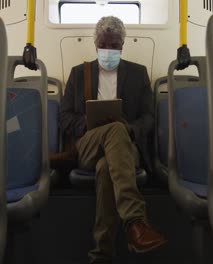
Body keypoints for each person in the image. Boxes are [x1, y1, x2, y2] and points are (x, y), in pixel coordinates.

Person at [60, 16, 167, 264]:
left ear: (123, 46)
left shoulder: (138, 74)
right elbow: (64, 117)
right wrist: (88, 123)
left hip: (125, 147)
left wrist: (130, 129)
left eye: (114, 46)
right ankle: (135, 221)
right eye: (104, 45)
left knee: (107, 165)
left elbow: (149, 117)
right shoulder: (78, 74)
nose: (108, 50)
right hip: (88, 144)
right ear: (96, 44)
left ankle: (101, 255)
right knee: (113, 129)